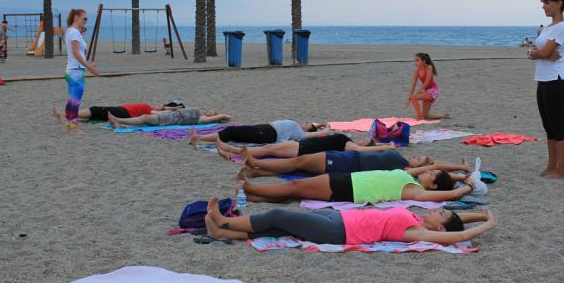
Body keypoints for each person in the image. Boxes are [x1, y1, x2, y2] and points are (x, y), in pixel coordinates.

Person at [204, 197, 497, 245]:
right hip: (340, 217)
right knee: (279, 229)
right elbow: (456, 222)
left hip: (339, 231)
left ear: (439, 227)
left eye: (441, 214)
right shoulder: (420, 216)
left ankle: (222, 222)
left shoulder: (417, 231)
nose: (437, 210)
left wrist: (487, 226)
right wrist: (480, 214)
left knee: (278, 216)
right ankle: (221, 232)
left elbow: (457, 236)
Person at [236, 166, 477, 204]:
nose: (428, 170)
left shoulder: (415, 190)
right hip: (350, 180)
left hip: (349, 189)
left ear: (433, 185)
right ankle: (256, 196)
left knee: (295, 186)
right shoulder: (412, 177)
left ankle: (250, 188)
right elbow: (443, 182)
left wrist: (468, 186)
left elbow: (447, 196)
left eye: (432, 173)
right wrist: (458, 175)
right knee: (296, 191)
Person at [528, 0, 564, 179]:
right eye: (543, 3)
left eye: (547, 2)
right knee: (548, 127)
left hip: (557, 80)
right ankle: (551, 165)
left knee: (558, 127)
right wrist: (540, 52)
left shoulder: (563, 27)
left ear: (559, 4)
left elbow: (546, 53)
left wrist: (534, 53)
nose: (543, 6)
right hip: (543, 80)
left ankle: (561, 171)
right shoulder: (548, 28)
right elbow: (546, 53)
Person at [238, 146, 470, 178]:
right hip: (348, 159)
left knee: (299, 162)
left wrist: (461, 170)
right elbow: (435, 164)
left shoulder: (402, 168)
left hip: (347, 165)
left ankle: (257, 163)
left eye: (419, 159)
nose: (415, 155)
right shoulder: (400, 160)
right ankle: (256, 171)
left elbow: (435, 168)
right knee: (301, 168)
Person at [213, 133, 396, 162]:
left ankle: (231, 150)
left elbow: (363, 150)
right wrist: (382, 144)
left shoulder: (351, 145)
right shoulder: (348, 140)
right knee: (268, 148)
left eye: (365, 140)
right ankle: (231, 152)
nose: (362, 139)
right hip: (303, 146)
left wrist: (386, 146)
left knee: (267, 150)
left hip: (302, 150)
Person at [62, 9, 99, 129]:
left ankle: (69, 123)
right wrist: (89, 67)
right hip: (75, 69)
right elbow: (76, 53)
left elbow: (79, 50)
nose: (86, 21)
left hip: (74, 69)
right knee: (75, 99)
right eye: (84, 18)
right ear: (76, 17)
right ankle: (72, 125)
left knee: (73, 98)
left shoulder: (74, 32)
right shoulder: (73, 32)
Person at [189, 120, 327, 146]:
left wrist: (325, 130)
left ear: (307, 129)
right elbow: (315, 126)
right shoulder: (297, 127)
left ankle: (199, 138)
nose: (305, 122)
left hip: (266, 133)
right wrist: (319, 125)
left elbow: (313, 134)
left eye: (307, 124)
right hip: (264, 128)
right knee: (233, 133)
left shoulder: (300, 133)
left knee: (231, 131)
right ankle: (200, 138)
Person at [404, 52, 450, 120]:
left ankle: (419, 117)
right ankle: (444, 116)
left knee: (414, 97)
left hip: (433, 91)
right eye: (414, 60)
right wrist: (408, 98)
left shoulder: (429, 67)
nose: (415, 62)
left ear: (423, 61)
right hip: (426, 92)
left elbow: (427, 82)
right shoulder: (416, 72)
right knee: (426, 116)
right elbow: (413, 86)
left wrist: (417, 93)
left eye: (417, 60)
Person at [52, 102, 182, 124]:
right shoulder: (148, 108)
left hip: (122, 112)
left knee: (95, 110)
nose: (158, 105)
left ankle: (66, 114)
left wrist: (171, 109)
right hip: (121, 111)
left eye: (160, 106)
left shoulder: (149, 109)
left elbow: (162, 112)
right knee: (95, 117)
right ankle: (66, 118)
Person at [107, 107, 230, 128]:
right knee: (145, 117)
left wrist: (222, 116)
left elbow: (223, 117)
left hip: (170, 120)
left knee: (144, 118)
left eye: (211, 112)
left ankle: (118, 120)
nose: (208, 111)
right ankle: (119, 124)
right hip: (170, 114)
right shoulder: (201, 112)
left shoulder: (202, 119)